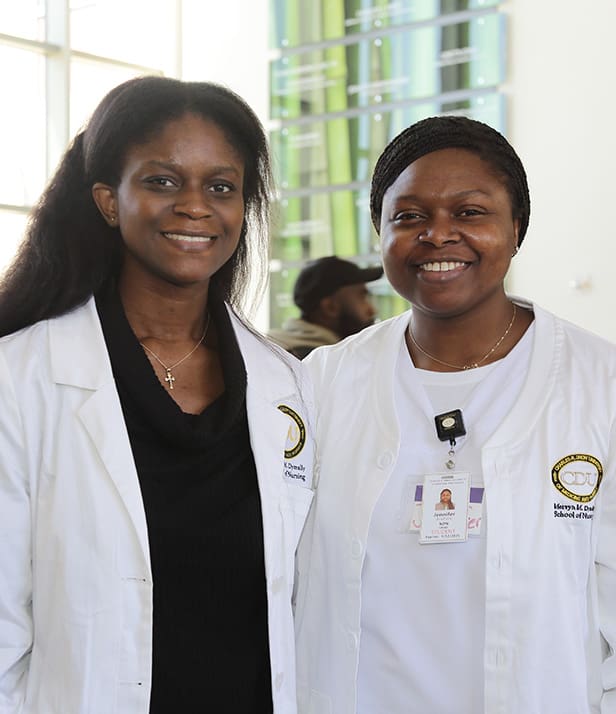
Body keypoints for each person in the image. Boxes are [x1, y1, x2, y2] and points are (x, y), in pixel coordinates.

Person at [0, 76, 315, 714]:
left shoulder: (283, 382)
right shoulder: (21, 377)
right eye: (162, 181)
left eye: (221, 187)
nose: (195, 206)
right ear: (109, 201)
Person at [294, 115, 616, 713]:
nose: (438, 235)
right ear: (380, 233)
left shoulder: (600, 385)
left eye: (470, 212)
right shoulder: (322, 384)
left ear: (516, 228)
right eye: (409, 216)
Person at [268, 256, 382, 358]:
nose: (372, 310)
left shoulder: (274, 345)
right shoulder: (311, 362)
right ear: (330, 307)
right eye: (362, 297)